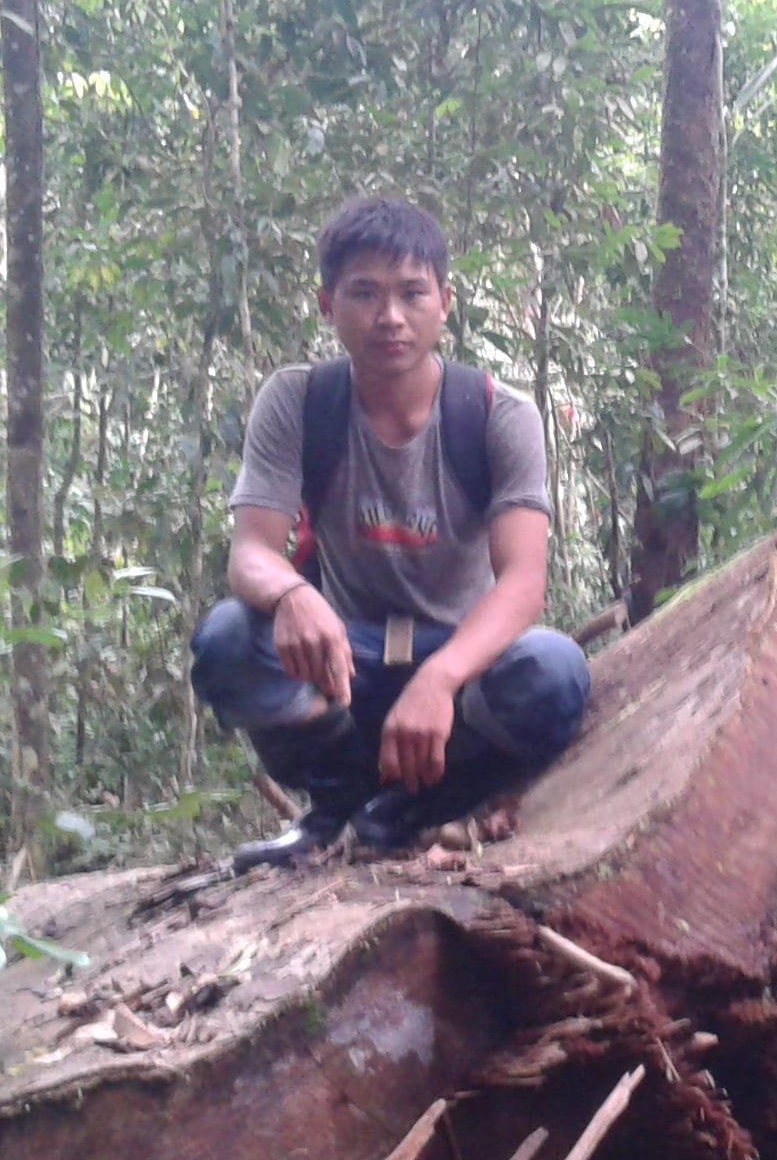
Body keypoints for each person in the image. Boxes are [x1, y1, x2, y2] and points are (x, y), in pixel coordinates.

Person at [189, 198, 588, 871]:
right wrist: (290, 595)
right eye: (364, 294)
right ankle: (335, 801)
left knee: (553, 672)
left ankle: (404, 813)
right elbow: (252, 552)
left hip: (460, 666)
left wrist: (440, 677)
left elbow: (522, 583)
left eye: (411, 293)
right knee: (227, 638)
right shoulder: (299, 401)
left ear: (445, 302)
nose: (390, 317)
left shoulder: (497, 414)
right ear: (327, 304)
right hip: (344, 658)